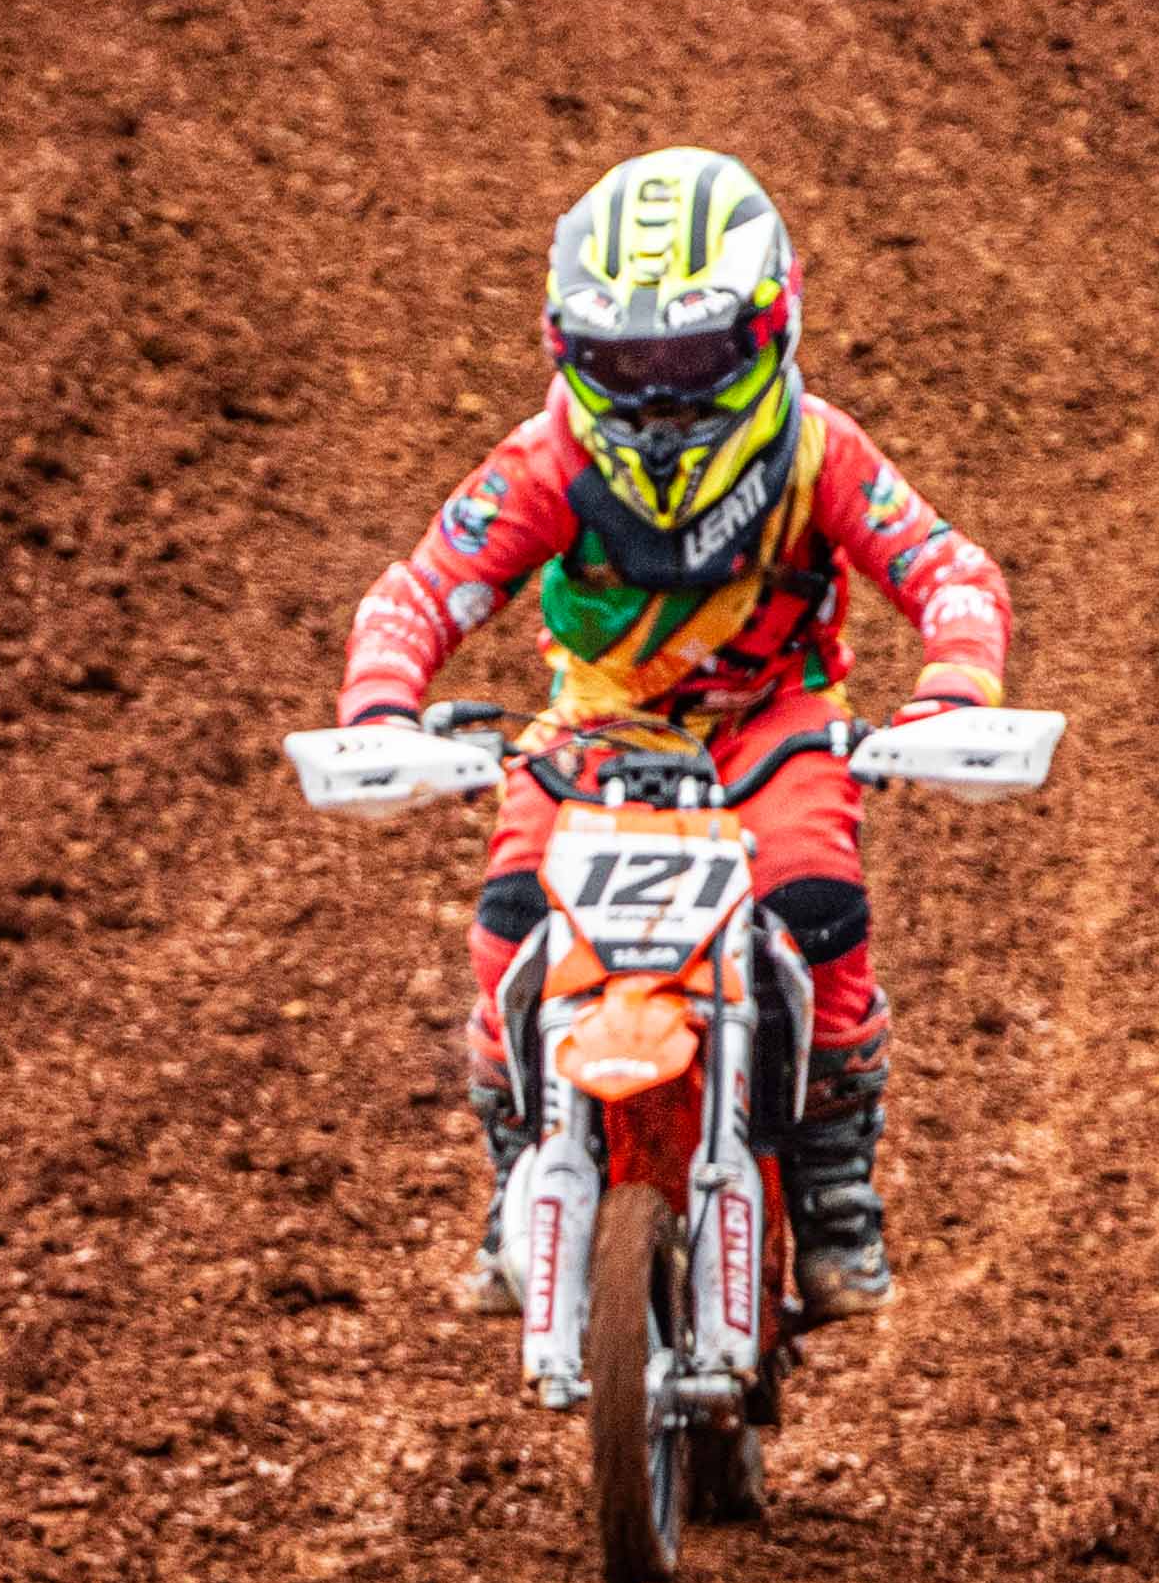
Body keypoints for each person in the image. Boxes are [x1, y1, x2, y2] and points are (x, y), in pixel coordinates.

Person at [334, 147, 1015, 1322]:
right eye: (624, 365)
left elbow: (946, 570)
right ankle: (517, 1176)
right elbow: (425, 588)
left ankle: (834, 1186)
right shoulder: (549, 459)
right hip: (596, 731)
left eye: (689, 361)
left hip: (773, 725)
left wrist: (954, 690)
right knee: (507, 922)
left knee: (816, 898)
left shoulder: (818, 451)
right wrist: (381, 707)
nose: (657, 401)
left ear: (766, 331)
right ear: (570, 351)